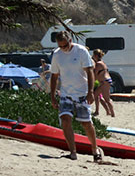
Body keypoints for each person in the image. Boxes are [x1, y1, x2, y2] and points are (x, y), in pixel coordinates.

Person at [49, 31, 101, 162]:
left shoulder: (81, 51)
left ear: (70, 41)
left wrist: (90, 91)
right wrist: (53, 96)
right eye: (61, 46)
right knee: (65, 121)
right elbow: (54, 76)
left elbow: (90, 71)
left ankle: (95, 150)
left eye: (65, 45)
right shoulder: (57, 55)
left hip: (82, 93)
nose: (63, 48)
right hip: (66, 93)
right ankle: (73, 152)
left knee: (86, 124)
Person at [91, 49, 115, 118]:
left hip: (104, 82)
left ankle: (112, 113)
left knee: (107, 99)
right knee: (95, 95)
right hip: (105, 81)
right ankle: (107, 112)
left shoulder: (98, 64)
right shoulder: (102, 62)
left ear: (95, 55)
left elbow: (95, 75)